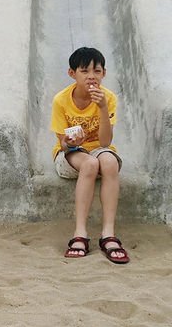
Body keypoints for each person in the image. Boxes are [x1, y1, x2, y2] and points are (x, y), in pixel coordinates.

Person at [50, 47, 129, 264]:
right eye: (84, 71)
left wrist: (102, 107)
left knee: (110, 162)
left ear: (104, 73)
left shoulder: (109, 98)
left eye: (97, 70)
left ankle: (108, 234)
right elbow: (62, 145)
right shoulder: (61, 100)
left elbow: (105, 143)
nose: (91, 76)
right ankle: (80, 233)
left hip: (97, 148)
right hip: (71, 153)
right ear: (72, 73)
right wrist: (69, 142)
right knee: (91, 164)